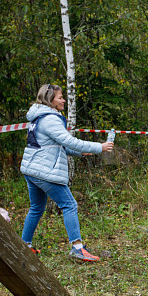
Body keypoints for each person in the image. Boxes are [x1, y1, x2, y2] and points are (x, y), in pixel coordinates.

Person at [20, 84, 114, 260]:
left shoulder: (38, 118)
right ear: (50, 100)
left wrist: (82, 152)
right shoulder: (50, 119)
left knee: (36, 208)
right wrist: (99, 147)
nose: (63, 100)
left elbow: (54, 146)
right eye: (60, 97)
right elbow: (69, 141)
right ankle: (77, 248)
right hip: (45, 171)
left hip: (32, 169)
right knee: (69, 205)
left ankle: (24, 246)